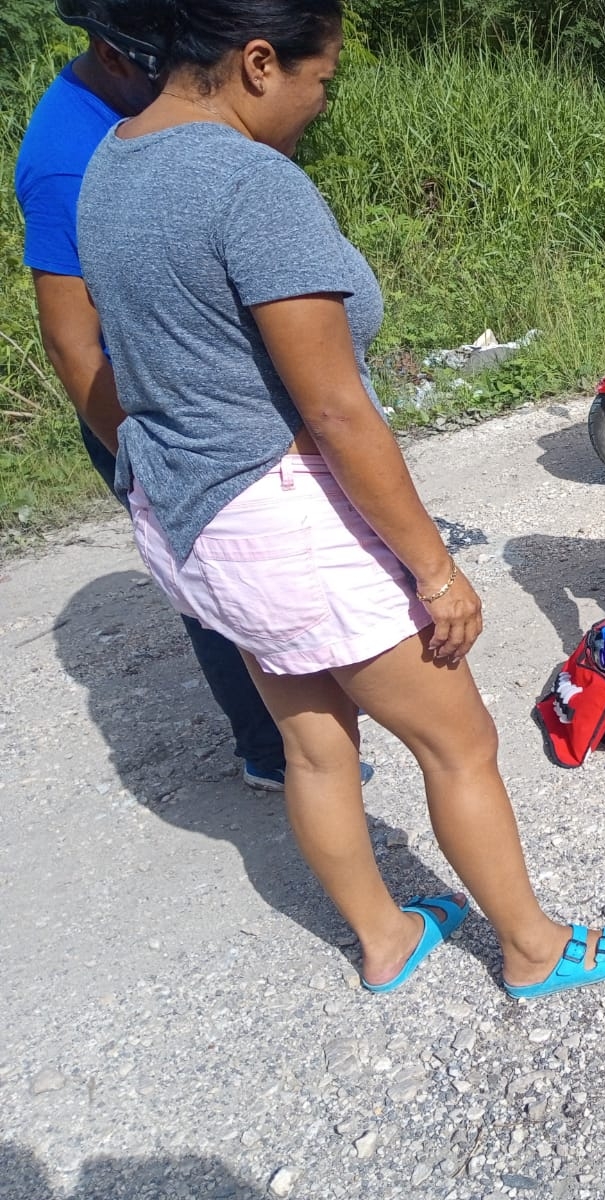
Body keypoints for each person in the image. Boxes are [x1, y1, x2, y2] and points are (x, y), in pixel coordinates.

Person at [75, 0, 605, 997]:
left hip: (191, 520)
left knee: (313, 742)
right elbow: (337, 413)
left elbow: (125, 363)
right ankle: (531, 948)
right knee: (457, 739)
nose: (323, 101)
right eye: (322, 80)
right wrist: (435, 570)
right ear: (259, 62)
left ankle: (385, 938)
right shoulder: (249, 185)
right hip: (284, 516)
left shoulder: (112, 160)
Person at [12, 0, 309, 792]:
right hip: (147, 412)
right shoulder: (68, 156)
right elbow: (74, 347)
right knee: (218, 578)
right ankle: (273, 749)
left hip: (205, 391)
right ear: (113, 55)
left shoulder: (142, 116)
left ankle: (309, 727)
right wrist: (151, 467)